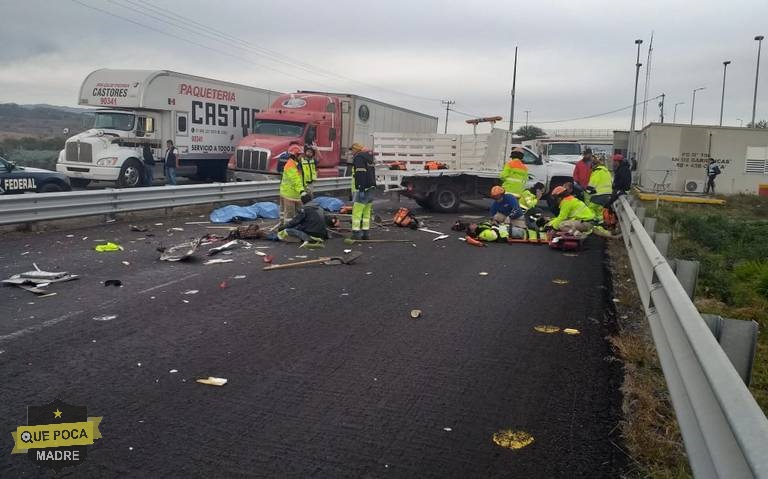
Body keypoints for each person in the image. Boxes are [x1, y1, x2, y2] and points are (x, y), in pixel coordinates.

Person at [547, 185, 616, 238]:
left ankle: (580, 236)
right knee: (562, 224)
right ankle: (613, 234)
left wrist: (553, 229)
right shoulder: (570, 199)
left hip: (586, 223)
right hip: (588, 222)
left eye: (556, 198)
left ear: (559, 197)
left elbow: (562, 217)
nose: (556, 201)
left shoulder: (566, 202)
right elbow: (563, 217)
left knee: (562, 225)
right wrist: (552, 223)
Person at [350, 142, 376, 240]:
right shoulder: (369, 158)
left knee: (357, 211)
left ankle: (356, 233)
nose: (351, 153)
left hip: (363, 188)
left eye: (352, 150)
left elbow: (360, 172)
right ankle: (366, 233)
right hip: (371, 188)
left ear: (355, 149)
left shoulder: (359, 158)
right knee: (366, 212)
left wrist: (360, 187)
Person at [279, 144, 308, 225]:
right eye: (300, 155)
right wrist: (302, 191)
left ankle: (282, 225)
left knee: (286, 213)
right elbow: (296, 179)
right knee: (290, 215)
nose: (302, 157)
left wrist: (305, 187)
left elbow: (301, 178)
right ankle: (287, 230)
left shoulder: (296, 163)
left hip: (289, 193)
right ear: (295, 155)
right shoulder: (291, 165)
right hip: (290, 195)